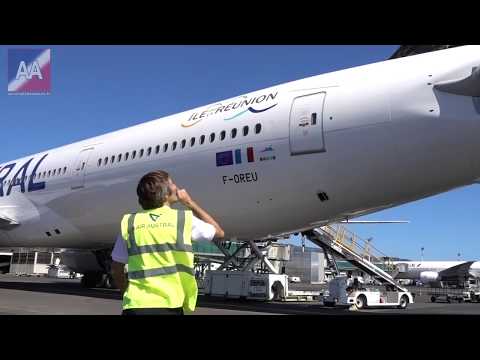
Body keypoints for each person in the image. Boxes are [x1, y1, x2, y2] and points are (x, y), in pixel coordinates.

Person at [111, 170, 224, 315]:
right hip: (171, 304)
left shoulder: (130, 223)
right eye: (172, 183)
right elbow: (219, 232)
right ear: (166, 194)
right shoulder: (183, 220)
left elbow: (117, 267)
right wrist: (189, 203)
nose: (176, 187)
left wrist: (126, 291)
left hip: (136, 305)